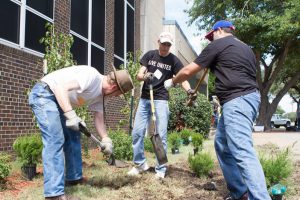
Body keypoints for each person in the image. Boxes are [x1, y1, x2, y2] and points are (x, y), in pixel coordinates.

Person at [164, 20, 271, 200]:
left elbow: (189, 69)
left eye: (211, 35)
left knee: (242, 150)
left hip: (237, 101)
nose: (210, 39)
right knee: (221, 143)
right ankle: (240, 193)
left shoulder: (218, 44)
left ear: (219, 30)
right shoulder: (246, 49)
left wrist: (173, 81)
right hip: (246, 99)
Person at [28, 65, 133, 200]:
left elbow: (99, 117)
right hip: (45, 94)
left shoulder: (103, 95)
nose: (115, 97)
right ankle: (54, 194)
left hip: (59, 101)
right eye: (117, 94)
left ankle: (74, 178)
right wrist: (70, 115)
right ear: (114, 88)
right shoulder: (91, 76)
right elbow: (60, 88)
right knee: (55, 139)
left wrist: (106, 139)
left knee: (73, 135)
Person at [127, 32, 192, 179]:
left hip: (161, 100)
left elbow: (182, 78)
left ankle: (160, 169)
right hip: (145, 98)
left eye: (168, 44)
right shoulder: (150, 55)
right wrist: (145, 76)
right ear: (158, 42)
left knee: (160, 134)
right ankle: (140, 164)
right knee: (137, 132)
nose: (165, 47)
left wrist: (189, 90)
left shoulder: (173, 60)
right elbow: (138, 75)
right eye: (163, 43)